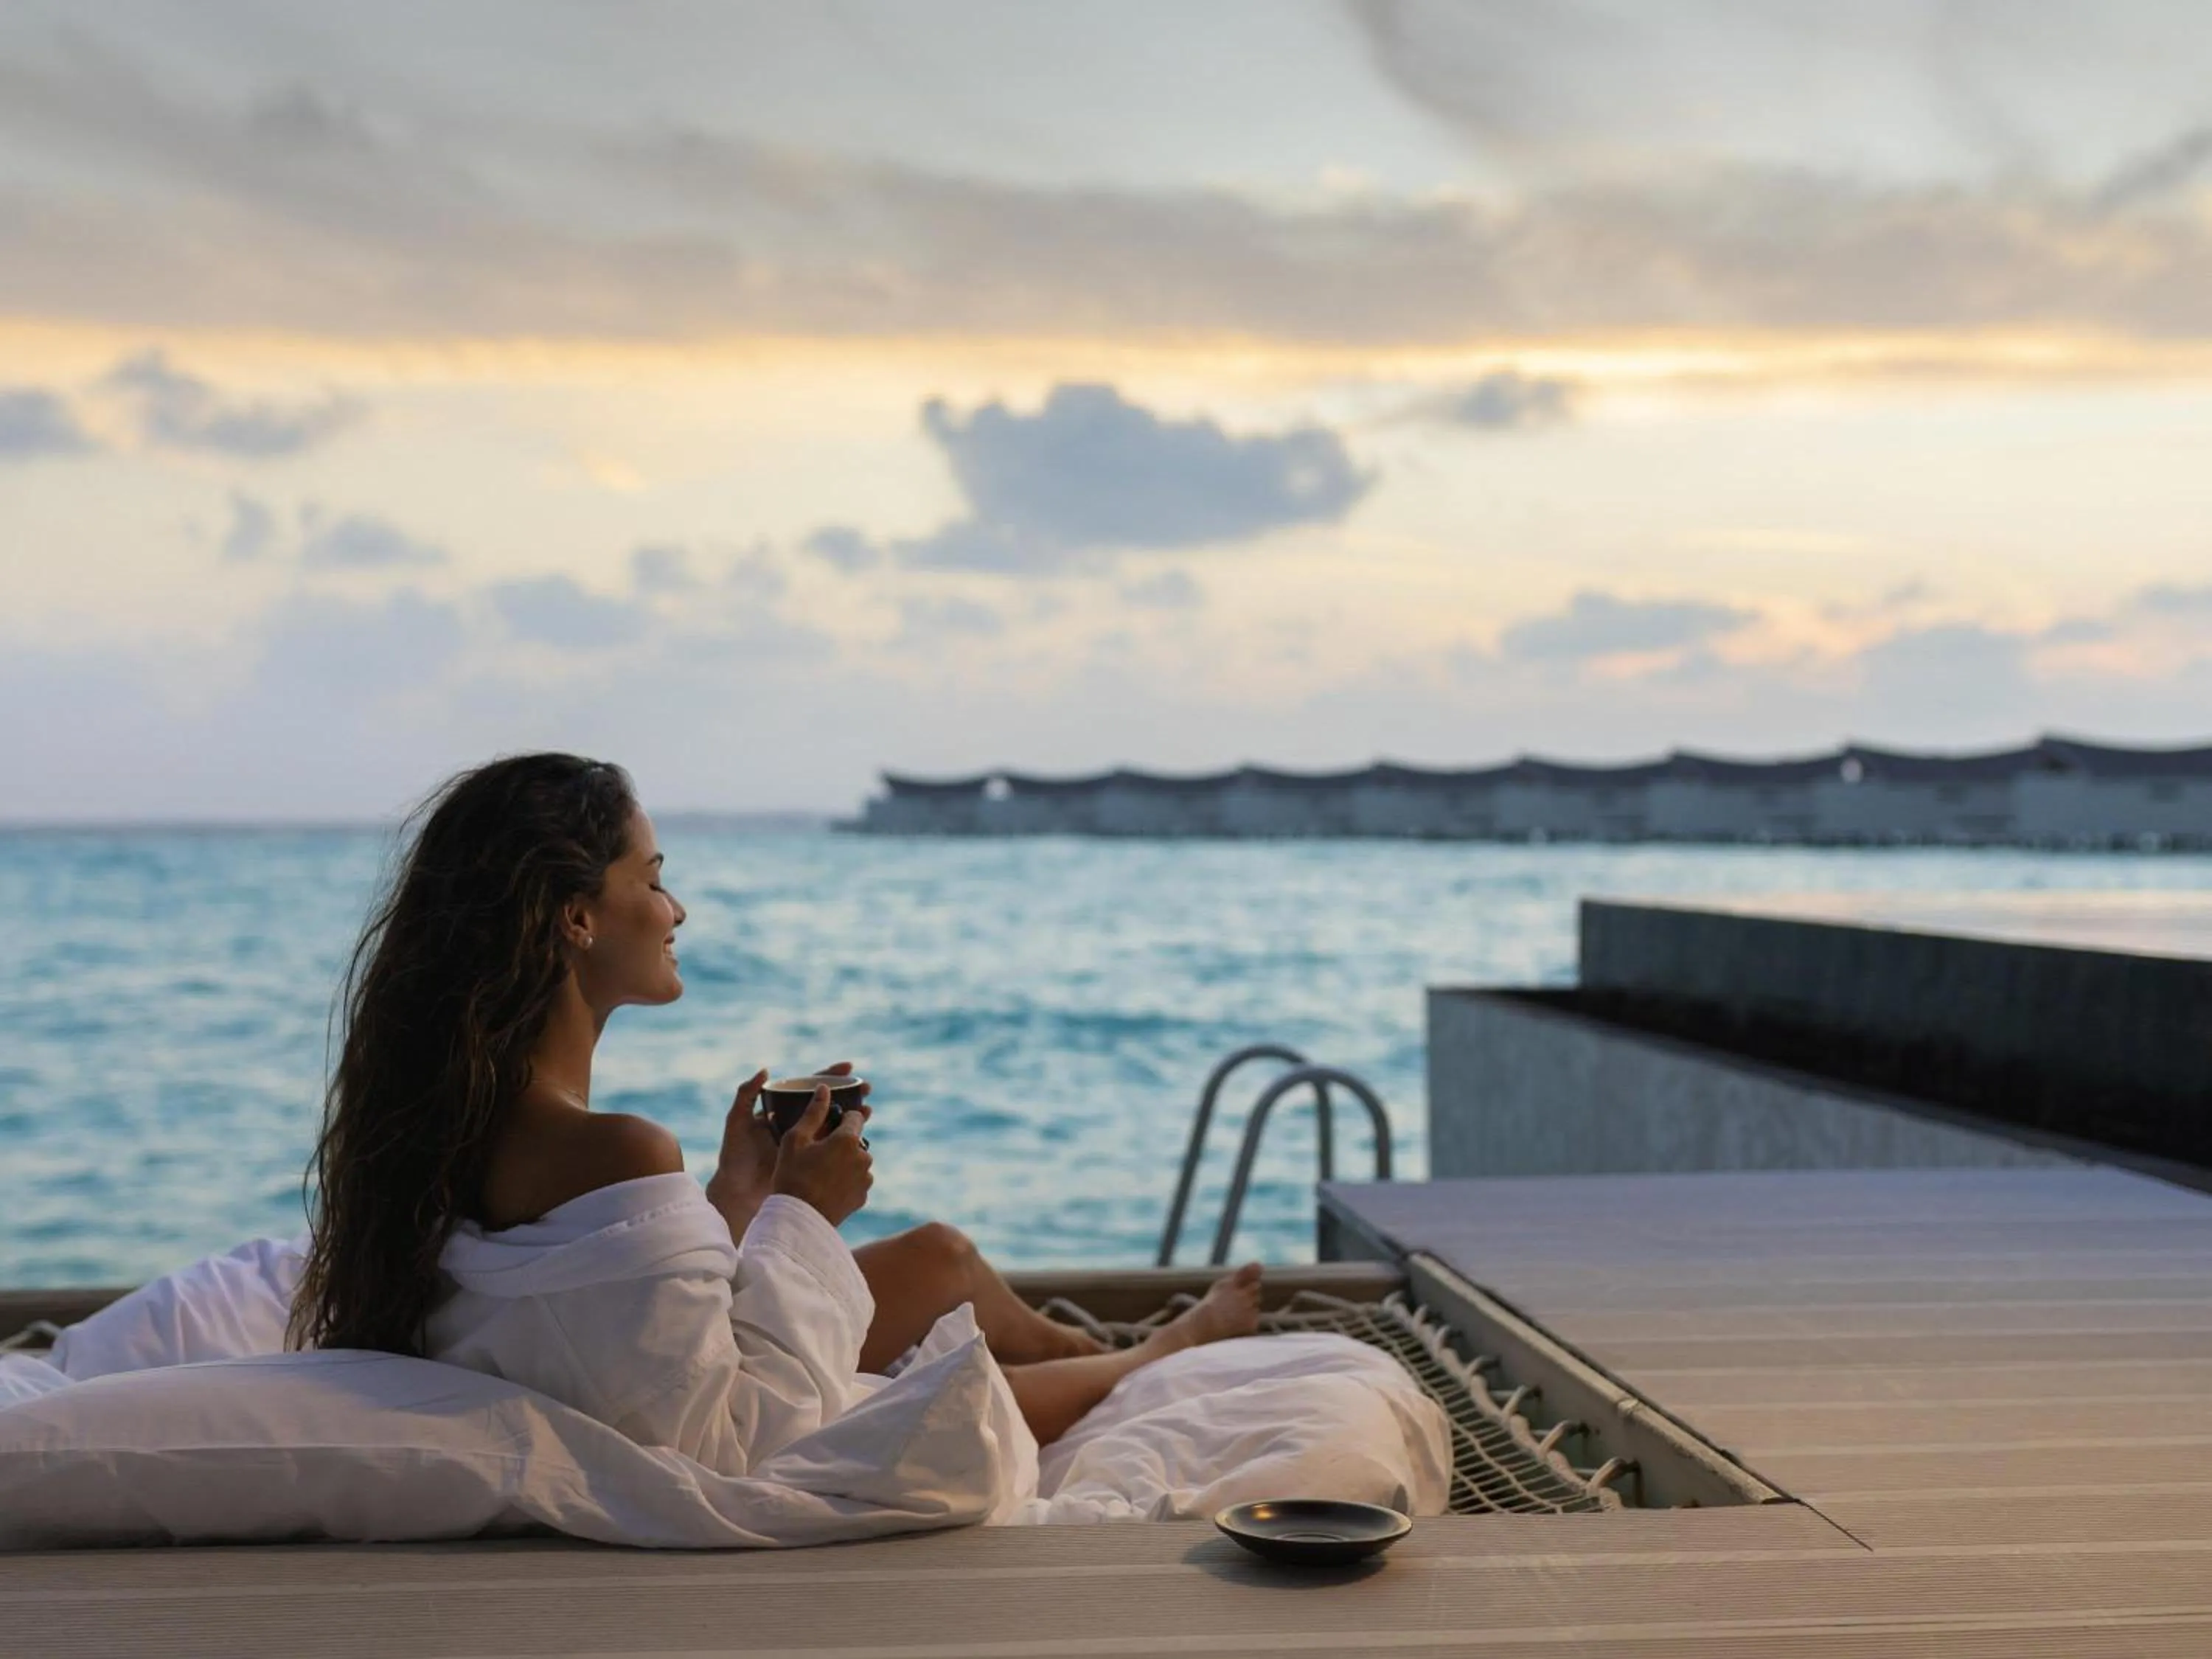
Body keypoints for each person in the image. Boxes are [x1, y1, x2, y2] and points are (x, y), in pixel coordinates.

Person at [288, 752, 1262, 1449]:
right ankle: (1165, 1353)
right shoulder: (617, 1146)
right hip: (733, 1427)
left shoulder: (456, 1114)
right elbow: (742, 1429)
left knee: (941, 1257)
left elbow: (617, 1327)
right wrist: (806, 1210)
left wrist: (739, 1192)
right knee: (952, 1388)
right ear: (577, 916)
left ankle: (1090, 1348)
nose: (677, 910)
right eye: (655, 879)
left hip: (613, 1384)